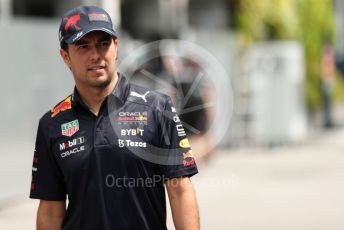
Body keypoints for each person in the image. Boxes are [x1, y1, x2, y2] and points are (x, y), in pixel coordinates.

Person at [29, 5, 199, 230]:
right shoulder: (52, 124)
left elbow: (180, 190)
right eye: (83, 46)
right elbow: (50, 211)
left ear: (116, 46)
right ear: (65, 56)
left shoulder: (157, 107)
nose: (96, 55)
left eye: (103, 43)